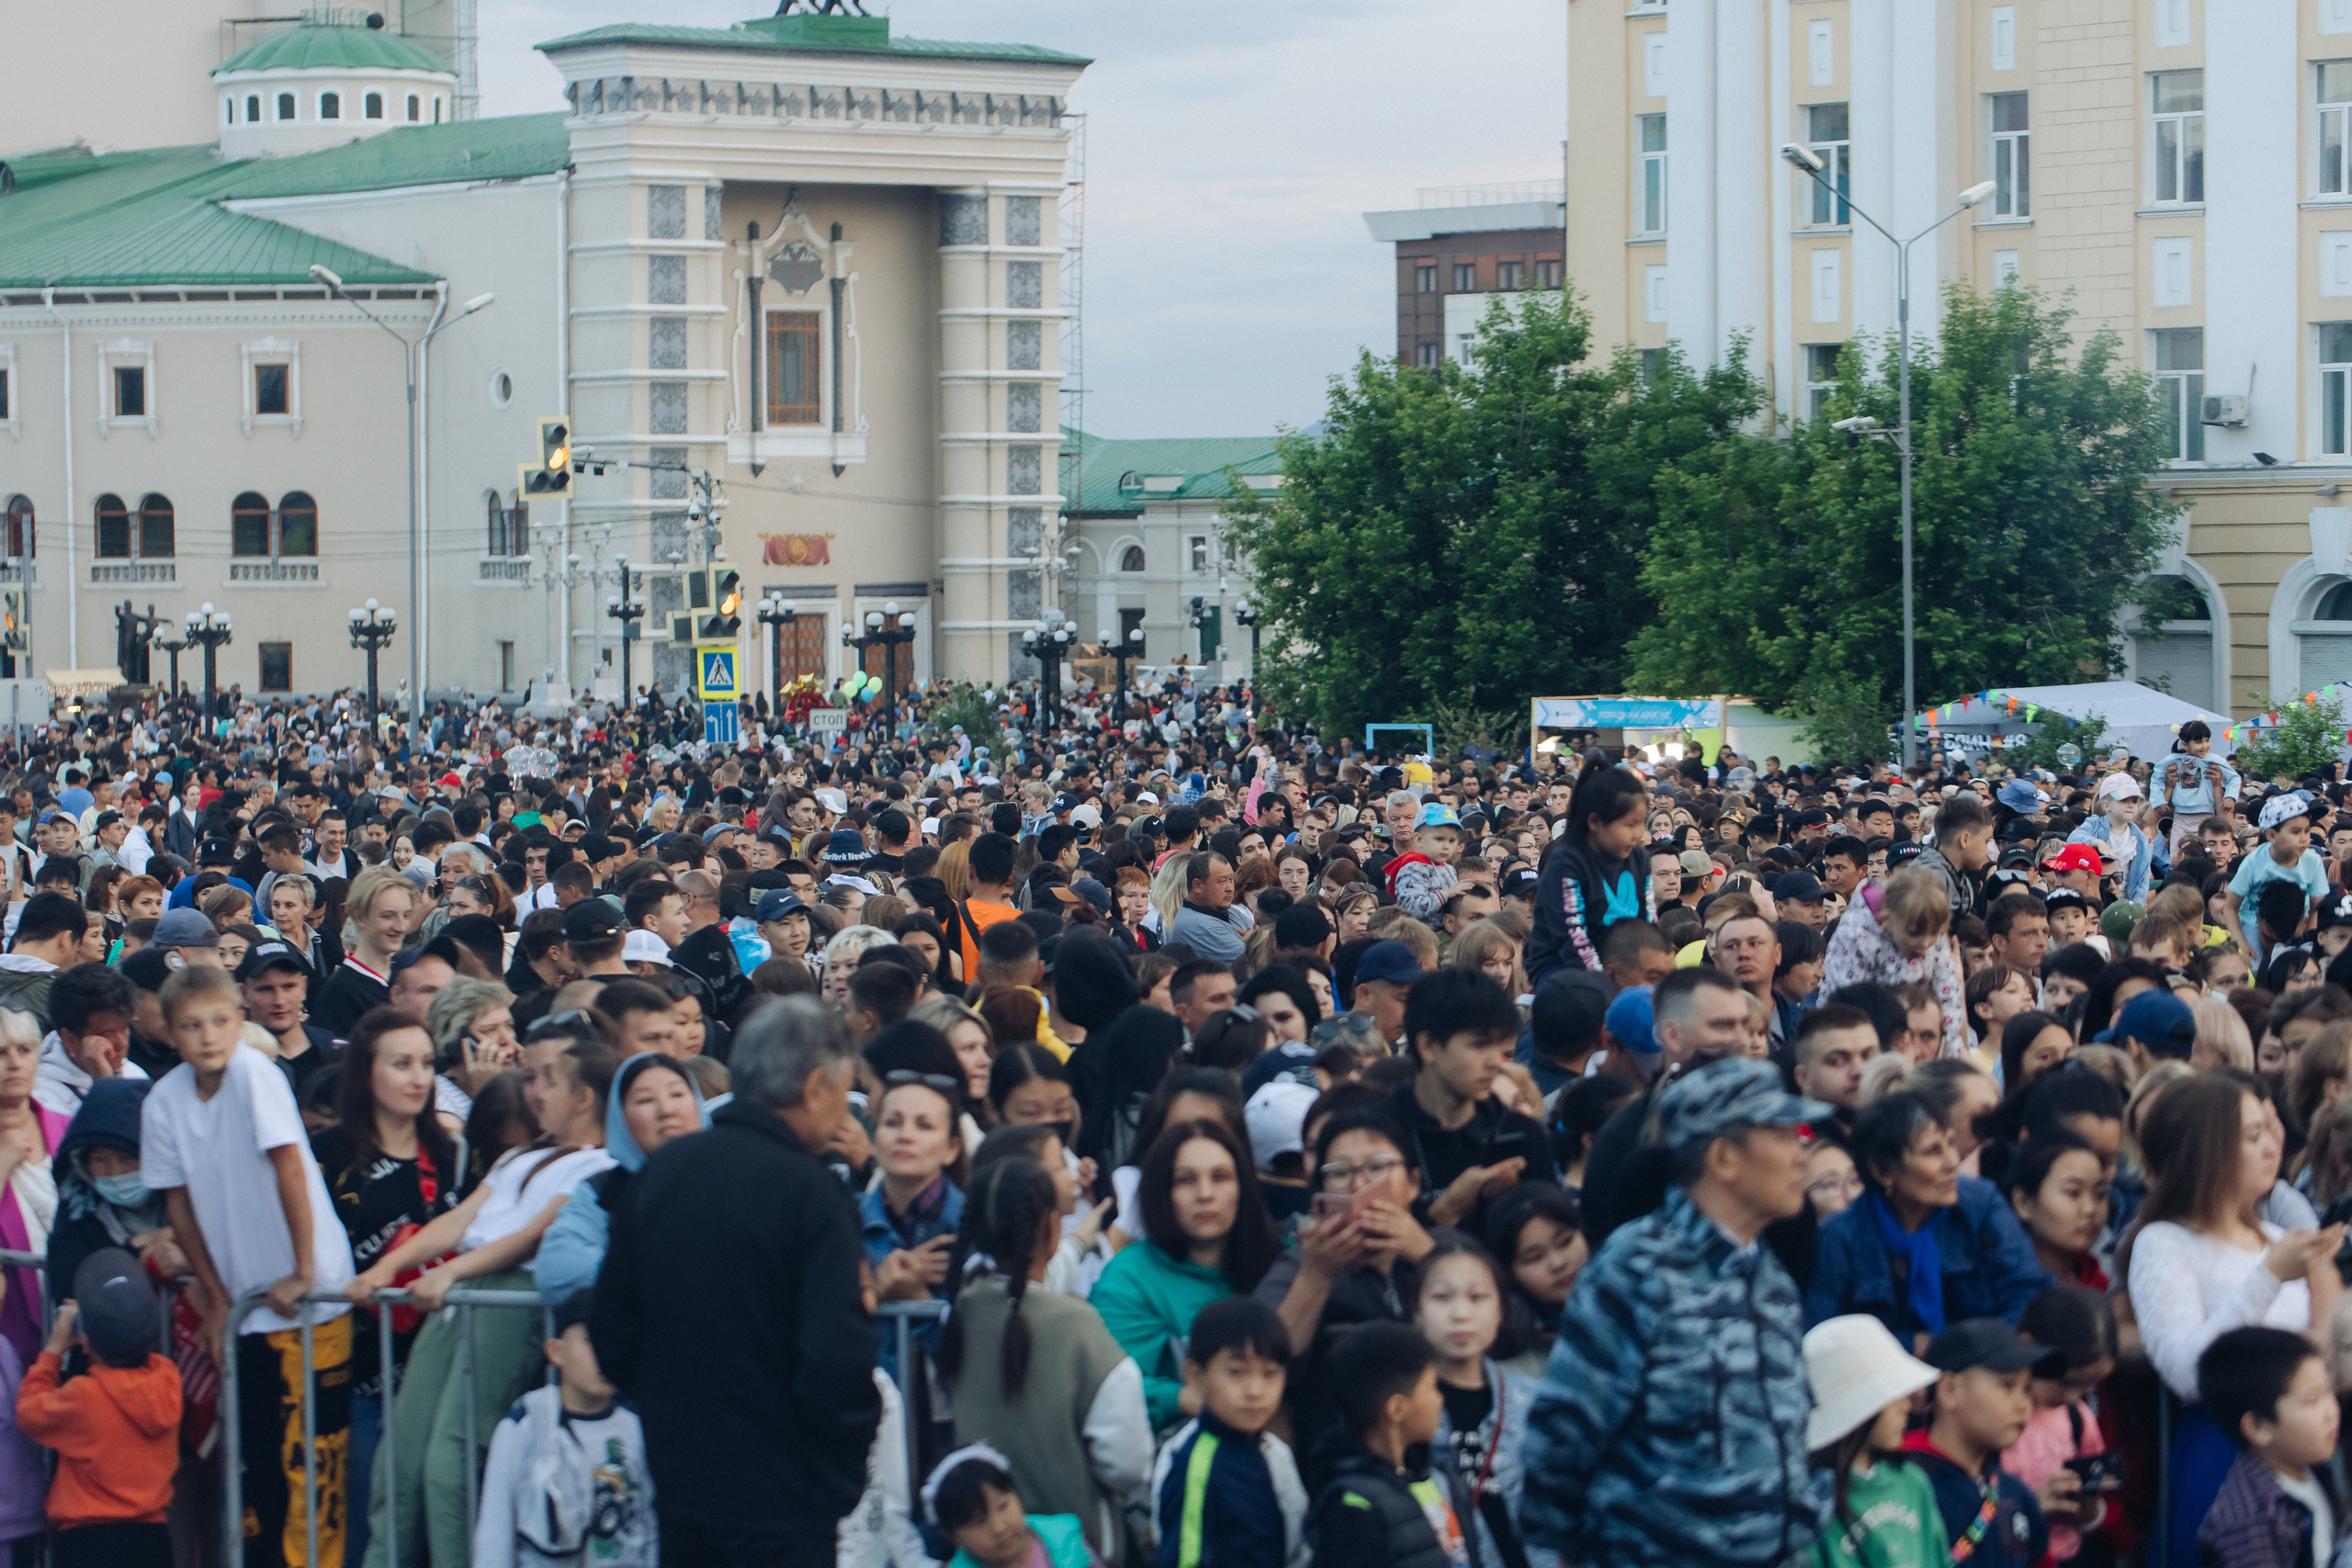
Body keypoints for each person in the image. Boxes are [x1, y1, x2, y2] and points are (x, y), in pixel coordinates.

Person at [591, 997, 883, 1567]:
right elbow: (836, 1356)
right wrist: (838, 1473)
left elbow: (612, 1334)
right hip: (787, 1499)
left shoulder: (662, 1175)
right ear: (817, 1084)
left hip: (684, 1485)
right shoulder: (812, 1193)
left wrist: (673, 1415)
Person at [1522, 1056, 1834, 1568]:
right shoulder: (1637, 1269)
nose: (1803, 1151)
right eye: (1781, 1135)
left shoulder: (1768, 1273)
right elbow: (1563, 1439)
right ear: (1724, 1159)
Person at [351, 1021, 618, 1568]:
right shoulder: (517, 1157)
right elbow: (461, 1219)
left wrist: (448, 1276)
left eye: (549, 1080)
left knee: (450, 1462)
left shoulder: (601, 1165)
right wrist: (390, 1265)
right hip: (464, 1288)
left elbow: (528, 1238)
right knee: (400, 1454)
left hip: (507, 1294)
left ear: (584, 1097)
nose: (533, 1092)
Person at [141, 963, 356, 1568]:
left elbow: (290, 1167)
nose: (208, 1036)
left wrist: (304, 1269)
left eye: (218, 1020)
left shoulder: (255, 1073)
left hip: (310, 1298)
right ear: (170, 1033)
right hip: (247, 1304)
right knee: (258, 1464)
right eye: (191, 1025)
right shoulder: (164, 1099)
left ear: (239, 1019)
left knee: (312, 1466)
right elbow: (177, 1202)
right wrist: (212, 1293)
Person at [2120, 1070, 2346, 1558]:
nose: (2272, 1148)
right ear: (2207, 1150)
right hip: (2223, 1449)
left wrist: (2324, 1283)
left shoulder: (2274, 1234)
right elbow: (2187, 1372)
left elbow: (2316, 1350)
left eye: (2270, 1131)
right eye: (2252, 1136)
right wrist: (2269, 1277)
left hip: (2303, 1446)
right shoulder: (2163, 1242)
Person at [940, 1156, 1150, 1562]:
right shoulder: (1080, 1328)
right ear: (1053, 1229)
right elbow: (1129, 1465)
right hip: (1075, 1550)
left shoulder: (958, 1314)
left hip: (984, 1553)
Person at [311, 1008, 459, 1568]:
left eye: (426, 1064)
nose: (419, 1078)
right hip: (355, 1377)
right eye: (402, 1064)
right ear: (365, 1074)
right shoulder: (326, 1158)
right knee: (366, 1530)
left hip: (441, 1373)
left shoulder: (453, 1154)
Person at [1807, 1090, 2052, 1341]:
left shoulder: (1980, 1204)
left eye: (1951, 1144)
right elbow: (1827, 1336)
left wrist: (1975, 1352)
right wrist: (1911, 1347)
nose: (1953, 1162)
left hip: (1985, 1366)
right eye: (1933, 1151)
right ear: (1882, 1171)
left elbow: (2026, 1290)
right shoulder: (1840, 1236)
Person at [1090, 1119, 1280, 1435]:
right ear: (1161, 1192)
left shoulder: (1281, 1258)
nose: (1205, 1194)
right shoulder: (1129, 1279)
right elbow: (1103, 1383)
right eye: (1185, 1180)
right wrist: (1180, 1398)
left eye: (1220, 1177)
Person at [17, 1249, 183, 1568]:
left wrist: (53, 1351)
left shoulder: (85, 1397)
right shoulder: (167, 1379)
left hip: (88, 1541)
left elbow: (30, 1412)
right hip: (153, 1537)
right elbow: (143, 1357)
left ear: (87, 1341)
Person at [471, 1292, 656, 1568]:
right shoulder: (524, 1426)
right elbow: (494, 1535)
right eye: (593, 1341)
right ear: (556, 1352)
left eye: (616, 1341)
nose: (607, 1354)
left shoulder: (636, 1430)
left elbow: (649, 1526)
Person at [1385, 969, 1555, 1232]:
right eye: (1479, 1045)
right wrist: (1443, 1213)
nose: (1494, 1063)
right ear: (1428, 1046)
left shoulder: (1521, 1134)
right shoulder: (1380, 1138)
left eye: (1500, 1048)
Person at [534, 1052, 706, 1306]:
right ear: (620, 1116)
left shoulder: (736, 1177)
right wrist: (665, 1274)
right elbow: (558, 1267)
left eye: (678, 1094)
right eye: (645, 1100)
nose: (667, 1110)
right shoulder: (604, 1191)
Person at [1416, 1233, 1546, 1568]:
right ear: (1416, 1311)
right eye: (1442, 1298)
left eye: (1477, 1298)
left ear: (1501, 1309)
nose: (1461, 1314)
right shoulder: (1404, 1410)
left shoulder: (1533, 1400)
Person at [1303, 1320, 1476, 1568]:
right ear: (1397, 1409)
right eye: (1432, 1388)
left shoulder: (1439, 1480)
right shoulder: (1353, 1505)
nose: (1440, 1399)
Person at [1150, 1297, 1308, 1568]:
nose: (1255, 1391)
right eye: (1236, 1373)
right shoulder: (1195, 1465)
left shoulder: (1271, 1451)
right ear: (1196, 1376)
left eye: (1270, 1374)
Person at [1898, 1319, 2068, 1568]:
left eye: (2027, 1389)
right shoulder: (1901, 1483)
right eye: (2007, 1386)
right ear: (1950, 1390)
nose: (2023, 1404)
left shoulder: (2017, 1495)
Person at [1799, 1314, 1947, 1568]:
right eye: (1892, 1393)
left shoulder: (1914, 1483)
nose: (1906, 1405)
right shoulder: (1810, 1504)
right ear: (1857, 1409)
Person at [2193, 1325, 2341, 1568]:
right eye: (2312, 1400)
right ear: (2258, 1427)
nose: (2331, 1412)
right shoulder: (2252, 1522)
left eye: (2329, 1392)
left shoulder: (2306, 1464)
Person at [1526, 760, 1648, 984]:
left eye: (1641, 823)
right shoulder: (1566, 864)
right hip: (1562, 969)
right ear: (1595, 822)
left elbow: (1648, 922)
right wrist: (1607, 981)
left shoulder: (1639, 858)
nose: (1638, 834)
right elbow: (1573, 937)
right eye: (1629, 825)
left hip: (1621, 965)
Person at [923, 1447, 1095, 1568]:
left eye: (1002, 1506)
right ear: (953, 1536)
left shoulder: (1065, 1540)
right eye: (977, 1522)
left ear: (1017, 1495)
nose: (998, 1528)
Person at [318, 867, 414, 1034]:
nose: (401, 926)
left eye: (406, 915)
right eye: (388, 916)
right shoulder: (339, 991)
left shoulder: (409, 976)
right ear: (359, 917)